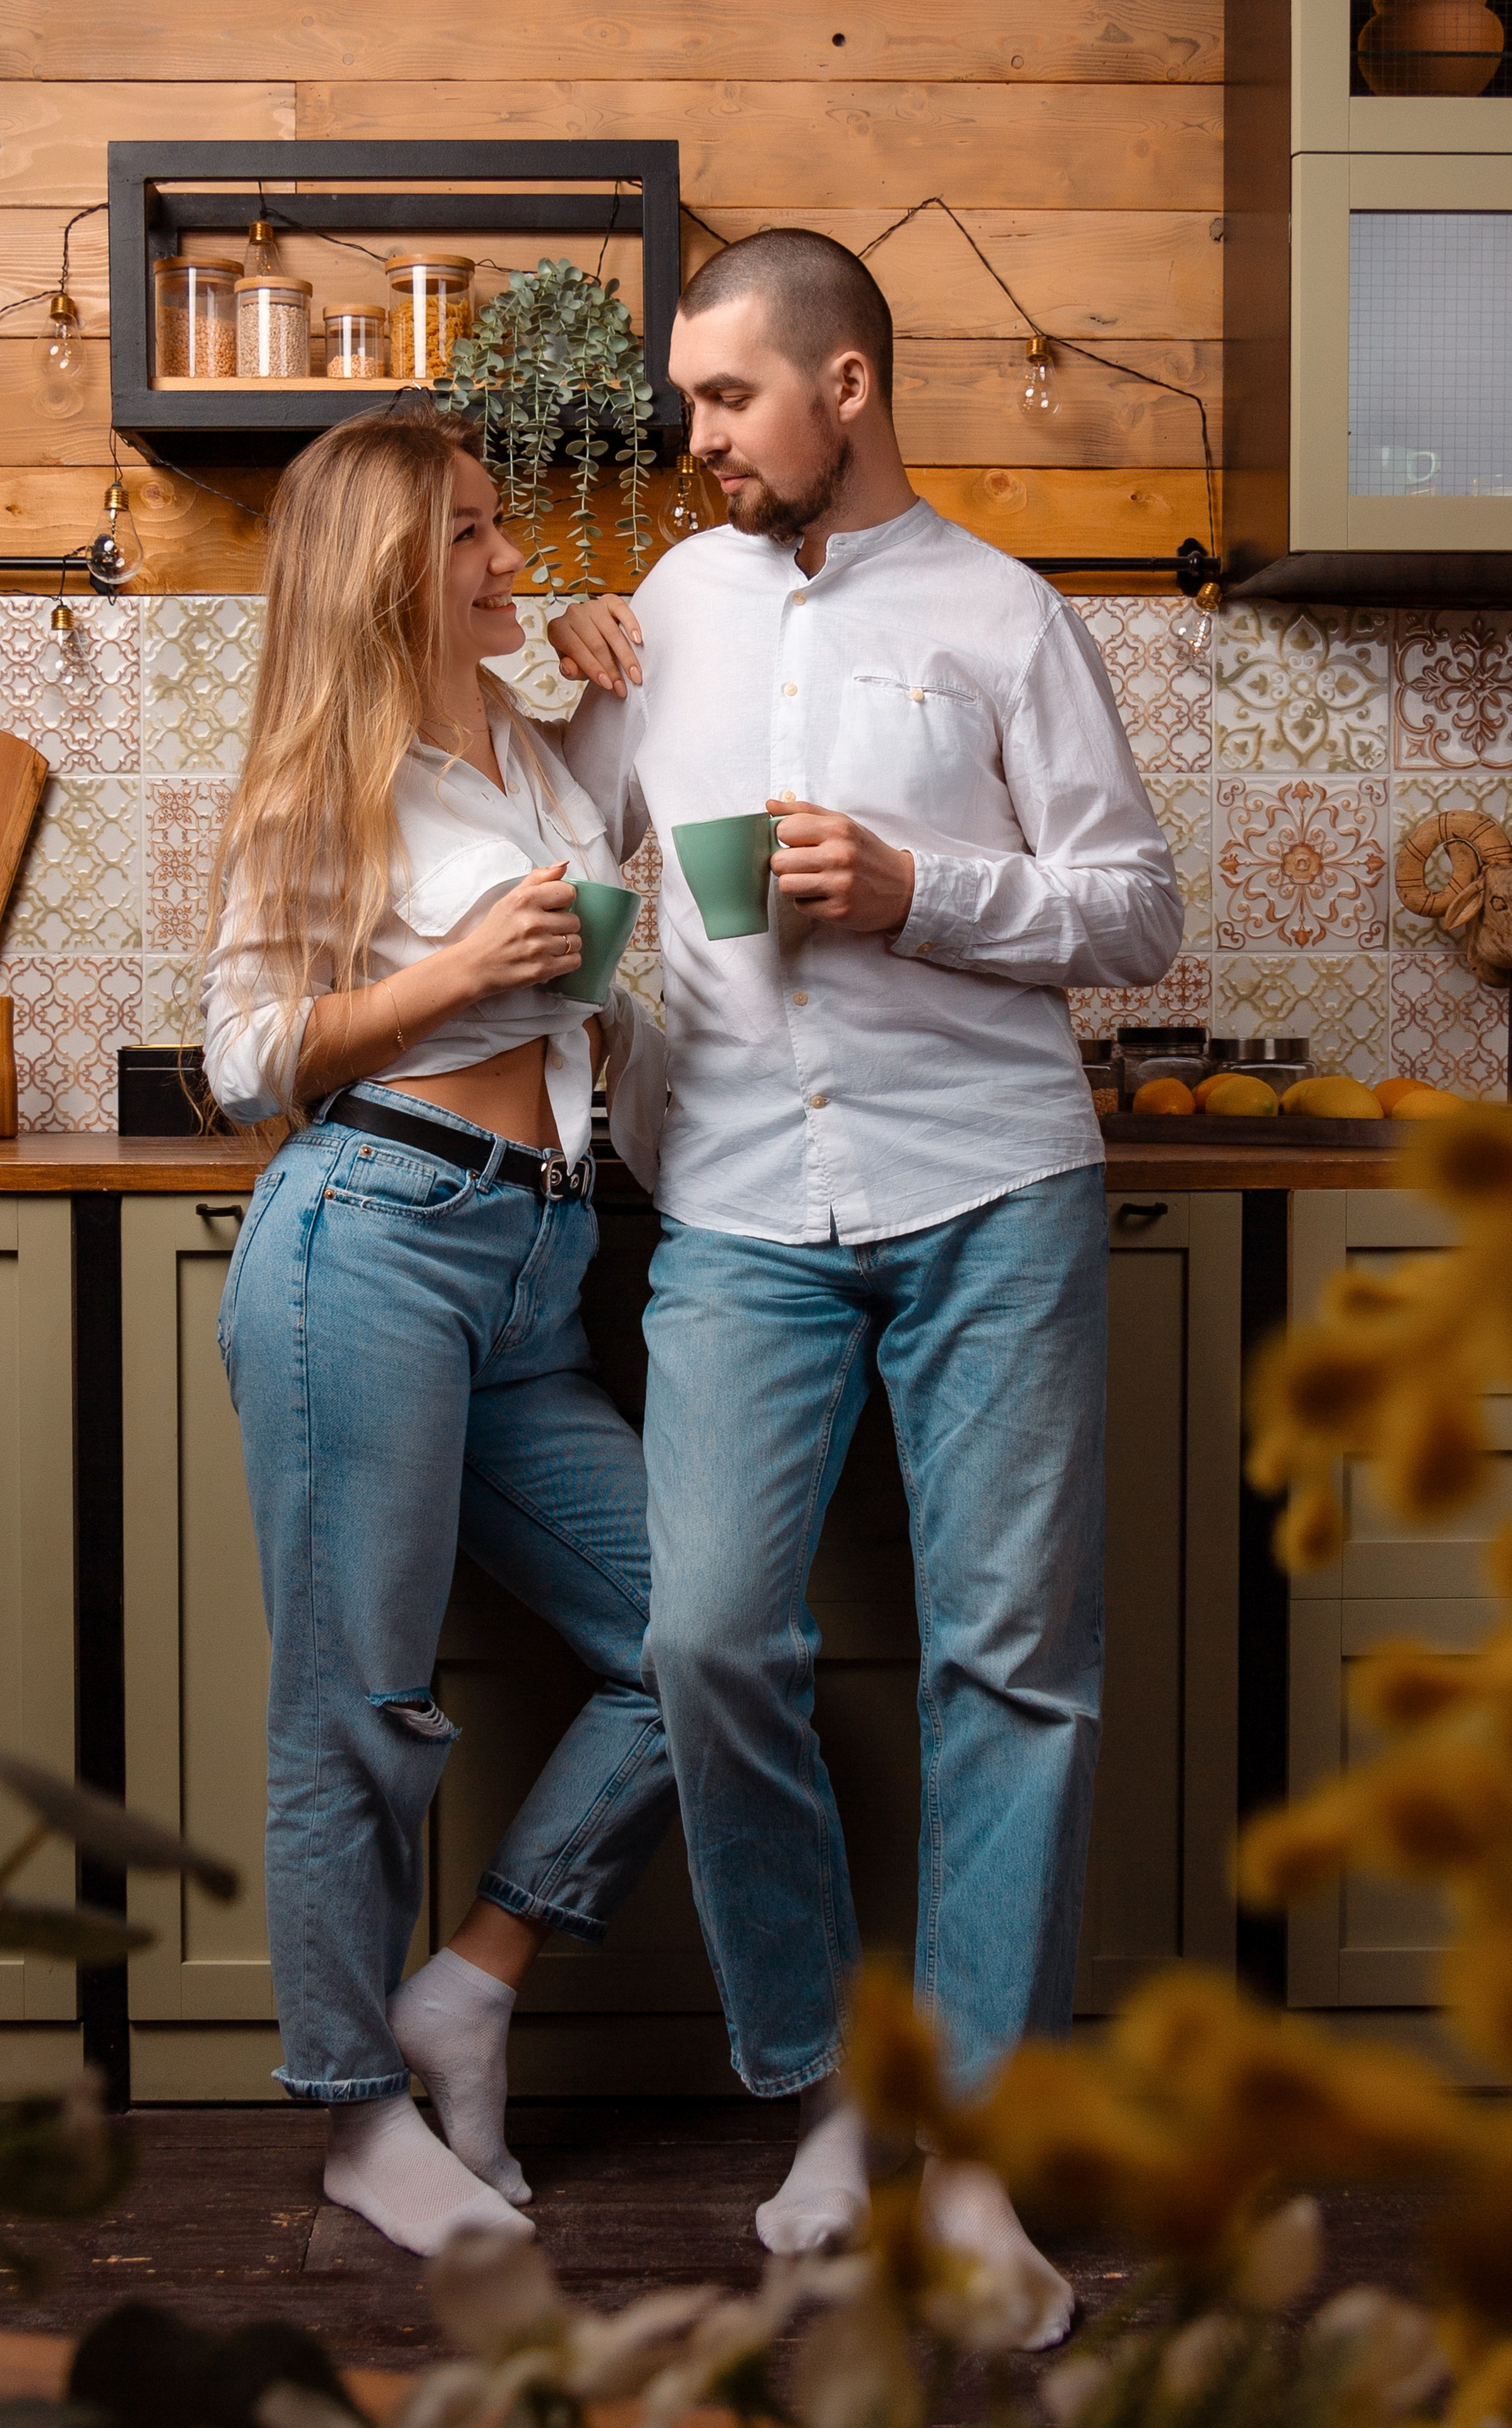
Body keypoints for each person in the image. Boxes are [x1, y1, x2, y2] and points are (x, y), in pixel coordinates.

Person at [551, 228, 1183, 2341]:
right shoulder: (663, 610)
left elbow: (1136, 911)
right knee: (710, 1635)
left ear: (847, 386)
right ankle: (832, 2083)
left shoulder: (1006, 613)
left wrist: (926, 892)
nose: (699, 439)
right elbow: (573, 853)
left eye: (727, 398)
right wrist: (545, 668)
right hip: (737, 1204)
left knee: (1013, 1666)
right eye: (688, 402)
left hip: (991, 1189)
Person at [201, 408, 673, 2259]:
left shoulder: (536, 754)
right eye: (470, 534)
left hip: (539, 1263)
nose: (511, 561)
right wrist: (451, 980)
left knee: (703, 1644)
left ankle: (469, 1986)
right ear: (385, 568)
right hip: (372, 1244)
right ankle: (351, 2113)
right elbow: (248, 1058)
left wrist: (619, 659)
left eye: (501, 526)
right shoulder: (324, 779)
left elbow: (628, 842)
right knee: (360, 1706)